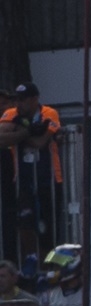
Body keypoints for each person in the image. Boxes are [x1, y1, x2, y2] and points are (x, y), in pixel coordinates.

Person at [0, 82, 63, 264]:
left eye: (23, 100)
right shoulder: (11, 113)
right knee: (24, 221)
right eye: (17, 100)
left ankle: (50, 264)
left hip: (50, 178)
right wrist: (27, 132)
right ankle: (31, 259)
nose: (19, 104)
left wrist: (17, 134)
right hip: (23, 179)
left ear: (35, 99)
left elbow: (40, 143)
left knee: (49, 227)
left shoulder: (49, 113)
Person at [0, 89, 17, 262]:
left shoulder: (15, 117)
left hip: (13, 181)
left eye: (4, 103)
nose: (1, 107)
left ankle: (11, 262)